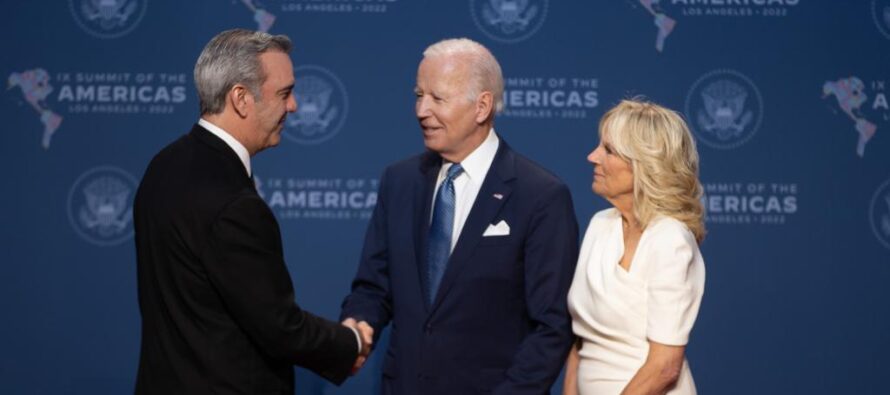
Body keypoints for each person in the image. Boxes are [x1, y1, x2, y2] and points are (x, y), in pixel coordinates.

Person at [133, 29, 368, 394]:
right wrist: (350, 342)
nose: (294, 106)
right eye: (285, 93)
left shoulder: (163, 165)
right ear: (241, 98)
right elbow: (279, 327)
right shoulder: (233, 203)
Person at [340, 38, 579, 395]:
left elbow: (552, 325)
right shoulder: (400, 181)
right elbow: (374, 287)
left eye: (437, 98)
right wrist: (357, 326)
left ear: (482, 106)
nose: (421, 110)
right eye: (418, 95)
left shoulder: (540, 196)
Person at [563, 99, 706, 395]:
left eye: (609, 150)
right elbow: (581, 339)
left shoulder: (670, 239)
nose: (592, 157)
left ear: (645, 164)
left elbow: (665, 366)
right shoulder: (600, 224)